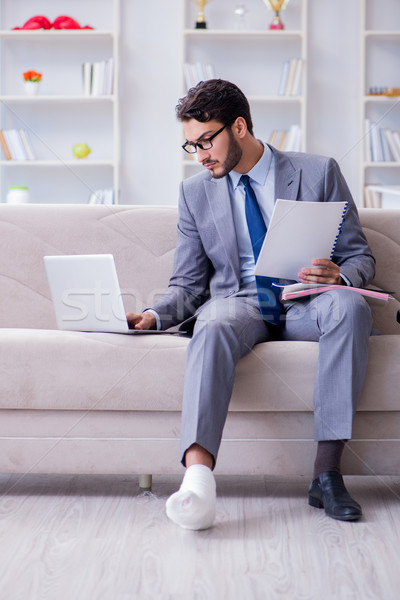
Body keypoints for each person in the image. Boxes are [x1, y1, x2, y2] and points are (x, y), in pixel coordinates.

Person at [127, 79, 375, 530]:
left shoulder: (318, 172)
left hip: (307, 300)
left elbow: (359, 255)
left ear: (238, 126)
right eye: (192, 145)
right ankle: (198, 479)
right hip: (240, 302)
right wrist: (154, 315)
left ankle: (327, 473)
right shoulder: (195, 193)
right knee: (214, 321)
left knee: (350, 307)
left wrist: (340, 275)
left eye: (207, 141)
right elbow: (187, 283)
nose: (200, 155)